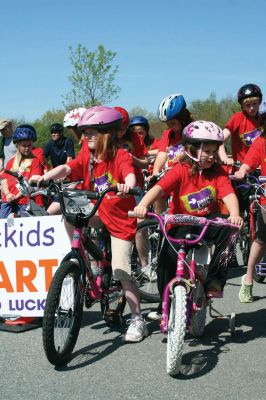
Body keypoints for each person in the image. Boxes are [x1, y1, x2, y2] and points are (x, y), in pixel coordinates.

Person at [30, 106, 148, 343]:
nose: (86, 137)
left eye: (92, 132)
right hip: (97, 209)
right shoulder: (87, 154)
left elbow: (130, 174)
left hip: (119, 218)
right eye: (84, 132)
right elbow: (67, 168)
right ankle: (81, 259)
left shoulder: (121, 155)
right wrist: (45, 177)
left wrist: (127, 183)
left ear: (107, 133)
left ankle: (138, 320)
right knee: (67, 214)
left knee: (121, 270)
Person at [134, 121, 243, 320]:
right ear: (192, 149)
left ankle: (214, 282)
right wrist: (143, 204)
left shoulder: (217, 172)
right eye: (207, 151)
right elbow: (159, 188)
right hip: (180, 222)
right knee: (166, 262)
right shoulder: (180, 169)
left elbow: (229, 195)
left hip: (207, 221)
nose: (212, 155)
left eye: (214, 150)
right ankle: (164, 302)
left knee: (229, 229)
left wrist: (235, 215)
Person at [235, 101, 266, 302]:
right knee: (261, 240)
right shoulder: (261, 142)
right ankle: (247, 280)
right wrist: (242, 170)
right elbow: (249, 161)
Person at [152, 93, 194, 213]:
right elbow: (162, 155)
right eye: (168, 124)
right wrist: (156, 173)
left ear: (183, 118)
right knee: (157, 194)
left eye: (173, 123)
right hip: (171, 177)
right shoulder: (168, 134)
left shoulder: (195, 130)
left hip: (189, 176)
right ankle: (160, 225)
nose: (170, 126)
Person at [0, 125, 44, 218]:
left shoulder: (35, 161)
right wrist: (7, 194)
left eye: (29, 145)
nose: (27, 148)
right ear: (18, 146)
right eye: (24, 145)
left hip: (25, 201)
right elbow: (4, 180)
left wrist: (16, 196)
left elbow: (31, 184)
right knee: (4, 227)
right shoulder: (11, 161)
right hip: (8, 200)